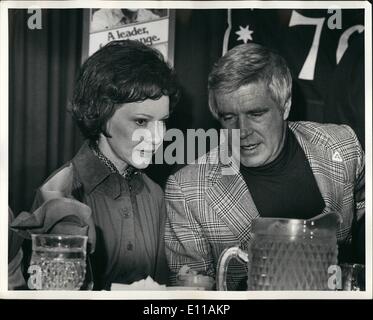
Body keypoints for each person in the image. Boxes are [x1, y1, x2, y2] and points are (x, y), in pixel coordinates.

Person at [164, 43, 365, 290]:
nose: (242, 131)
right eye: (229, 117)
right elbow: (191, 296)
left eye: (256, 113)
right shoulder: (187, 190)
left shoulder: (342, 146)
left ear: (285, 106)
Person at [32, 40, 179, 290]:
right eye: (142, 122)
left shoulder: (155, 194)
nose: (157, 137)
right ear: (100, 114)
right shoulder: (59, 193)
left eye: (162, 121)